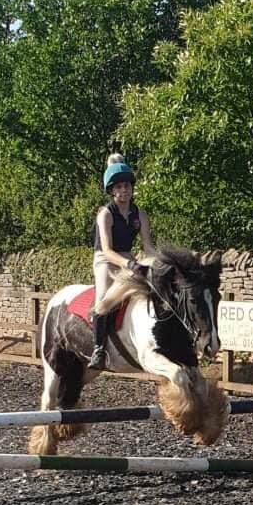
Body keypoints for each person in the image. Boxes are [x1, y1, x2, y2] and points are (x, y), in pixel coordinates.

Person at [88, 153, 157, 370]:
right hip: (106, 260)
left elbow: (147, 246)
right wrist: (128, 264)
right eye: (119, 187)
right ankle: (99, 349)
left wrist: (159, 263)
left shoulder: (141, 214)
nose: (124, 191)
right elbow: (107, 250)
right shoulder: (105, 214)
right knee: (103, 301)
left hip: (128, 257)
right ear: (112, 190)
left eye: (127, 186)